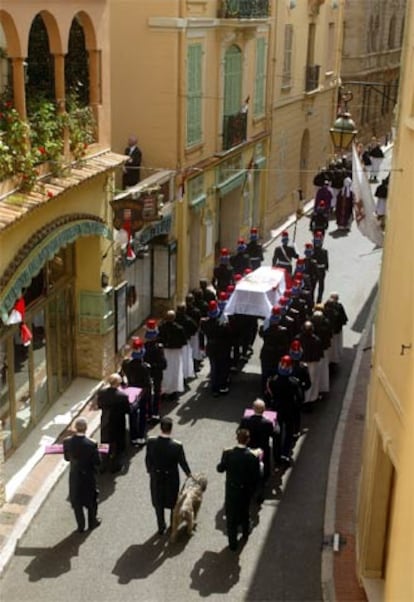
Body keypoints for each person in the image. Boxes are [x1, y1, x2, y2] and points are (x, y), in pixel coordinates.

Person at [145, 417, 192, 535]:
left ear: (160, 428)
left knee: (158, 503)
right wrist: (188, 474)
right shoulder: (177, 446)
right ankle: (172, 525)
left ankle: (161, 527)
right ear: (171, 429)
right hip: (171, 479)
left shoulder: (151, 442)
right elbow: (183, 462)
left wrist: (150, 471)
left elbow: (148, 459)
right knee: (172, 504)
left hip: (156, 477)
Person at [216, 428, 261, 551]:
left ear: (237, 439)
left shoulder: (228, 453)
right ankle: (245, 534)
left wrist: (223, 457)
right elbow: (256, 476)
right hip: (245, 490)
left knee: (231, 517)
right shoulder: (252, 456)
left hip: (231, 489)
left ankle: (232, 544)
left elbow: (220, 469)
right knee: (244, 512)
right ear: (248, 440)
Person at [63, 417, 101, 533]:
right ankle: (92, 522)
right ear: (86, 428)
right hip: (88, 476)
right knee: (91, 500)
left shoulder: (67, 442)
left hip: (75, 475)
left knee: (76, 500)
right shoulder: (91, 444)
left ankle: (80, 526)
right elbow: (97, 462)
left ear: (75, 428)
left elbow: (66, 458)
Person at [266, 356, 303, 464]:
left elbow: (268, 394)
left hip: (276, 408)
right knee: (289, 431)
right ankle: (285, 453)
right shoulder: (294, 382)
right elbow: (299, 397)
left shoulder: (273, 381)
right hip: (289, 409)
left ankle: (277, 456)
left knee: (277, 432)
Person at [121, 337, 152, 445]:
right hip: (142, 392)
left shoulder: (126, 364)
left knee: (133, 413)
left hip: (131, 390)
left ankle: (133, 436)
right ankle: (140, 436)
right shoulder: (145, 367)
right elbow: (147, 383)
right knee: (142, 413)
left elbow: (122, 375)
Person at [97, 373, 130, 472]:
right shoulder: (122, 396)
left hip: (105, 421)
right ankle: (115, 466)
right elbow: (127, 410)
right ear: (118, 383)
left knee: (105, 441)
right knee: (118, 443)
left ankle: (103, 464)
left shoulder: (102, 393)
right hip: (118, 422)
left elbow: (99, 405)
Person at [239, 399, 276, 487]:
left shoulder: (245, 420)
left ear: (253, 408)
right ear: (264, 410)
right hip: (263, 447)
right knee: (265, 462)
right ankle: (265, 479)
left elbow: (240, 430)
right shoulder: (267, 423)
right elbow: (272, 433)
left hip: (249, 445)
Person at [200, 300, 232, 397]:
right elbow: (229, 335)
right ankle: (222, 386)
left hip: (211, 347)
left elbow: (202, 333)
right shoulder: (222, 325)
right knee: (222, 367)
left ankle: (215, 388)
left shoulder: (204, 323)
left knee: (214, 367)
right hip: (222, 347)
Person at [158, 310, 187, 401]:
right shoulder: (179, 328)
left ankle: (163, 390)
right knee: (175, 370)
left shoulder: (161, 327)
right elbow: (183, 341)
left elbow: (159, 339)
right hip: (176, 352)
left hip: (165, 351)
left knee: (165, 372)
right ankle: (173, 391)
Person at [143, 319, 167, 422]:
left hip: (147, 374)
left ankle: (148, 413)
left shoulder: (144, 348)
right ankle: (155, 414)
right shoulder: (159, 349)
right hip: (157, 373)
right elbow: (164, 364)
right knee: (157, 393)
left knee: (148, 394)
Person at [312, 231, 329, 303]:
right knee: (315, 286)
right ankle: (315, 300)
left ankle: (318, 300)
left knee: (318, 286)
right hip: (316, 271)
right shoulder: (313, 251)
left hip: (318, 271)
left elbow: (326, 261)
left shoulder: (323, 251)